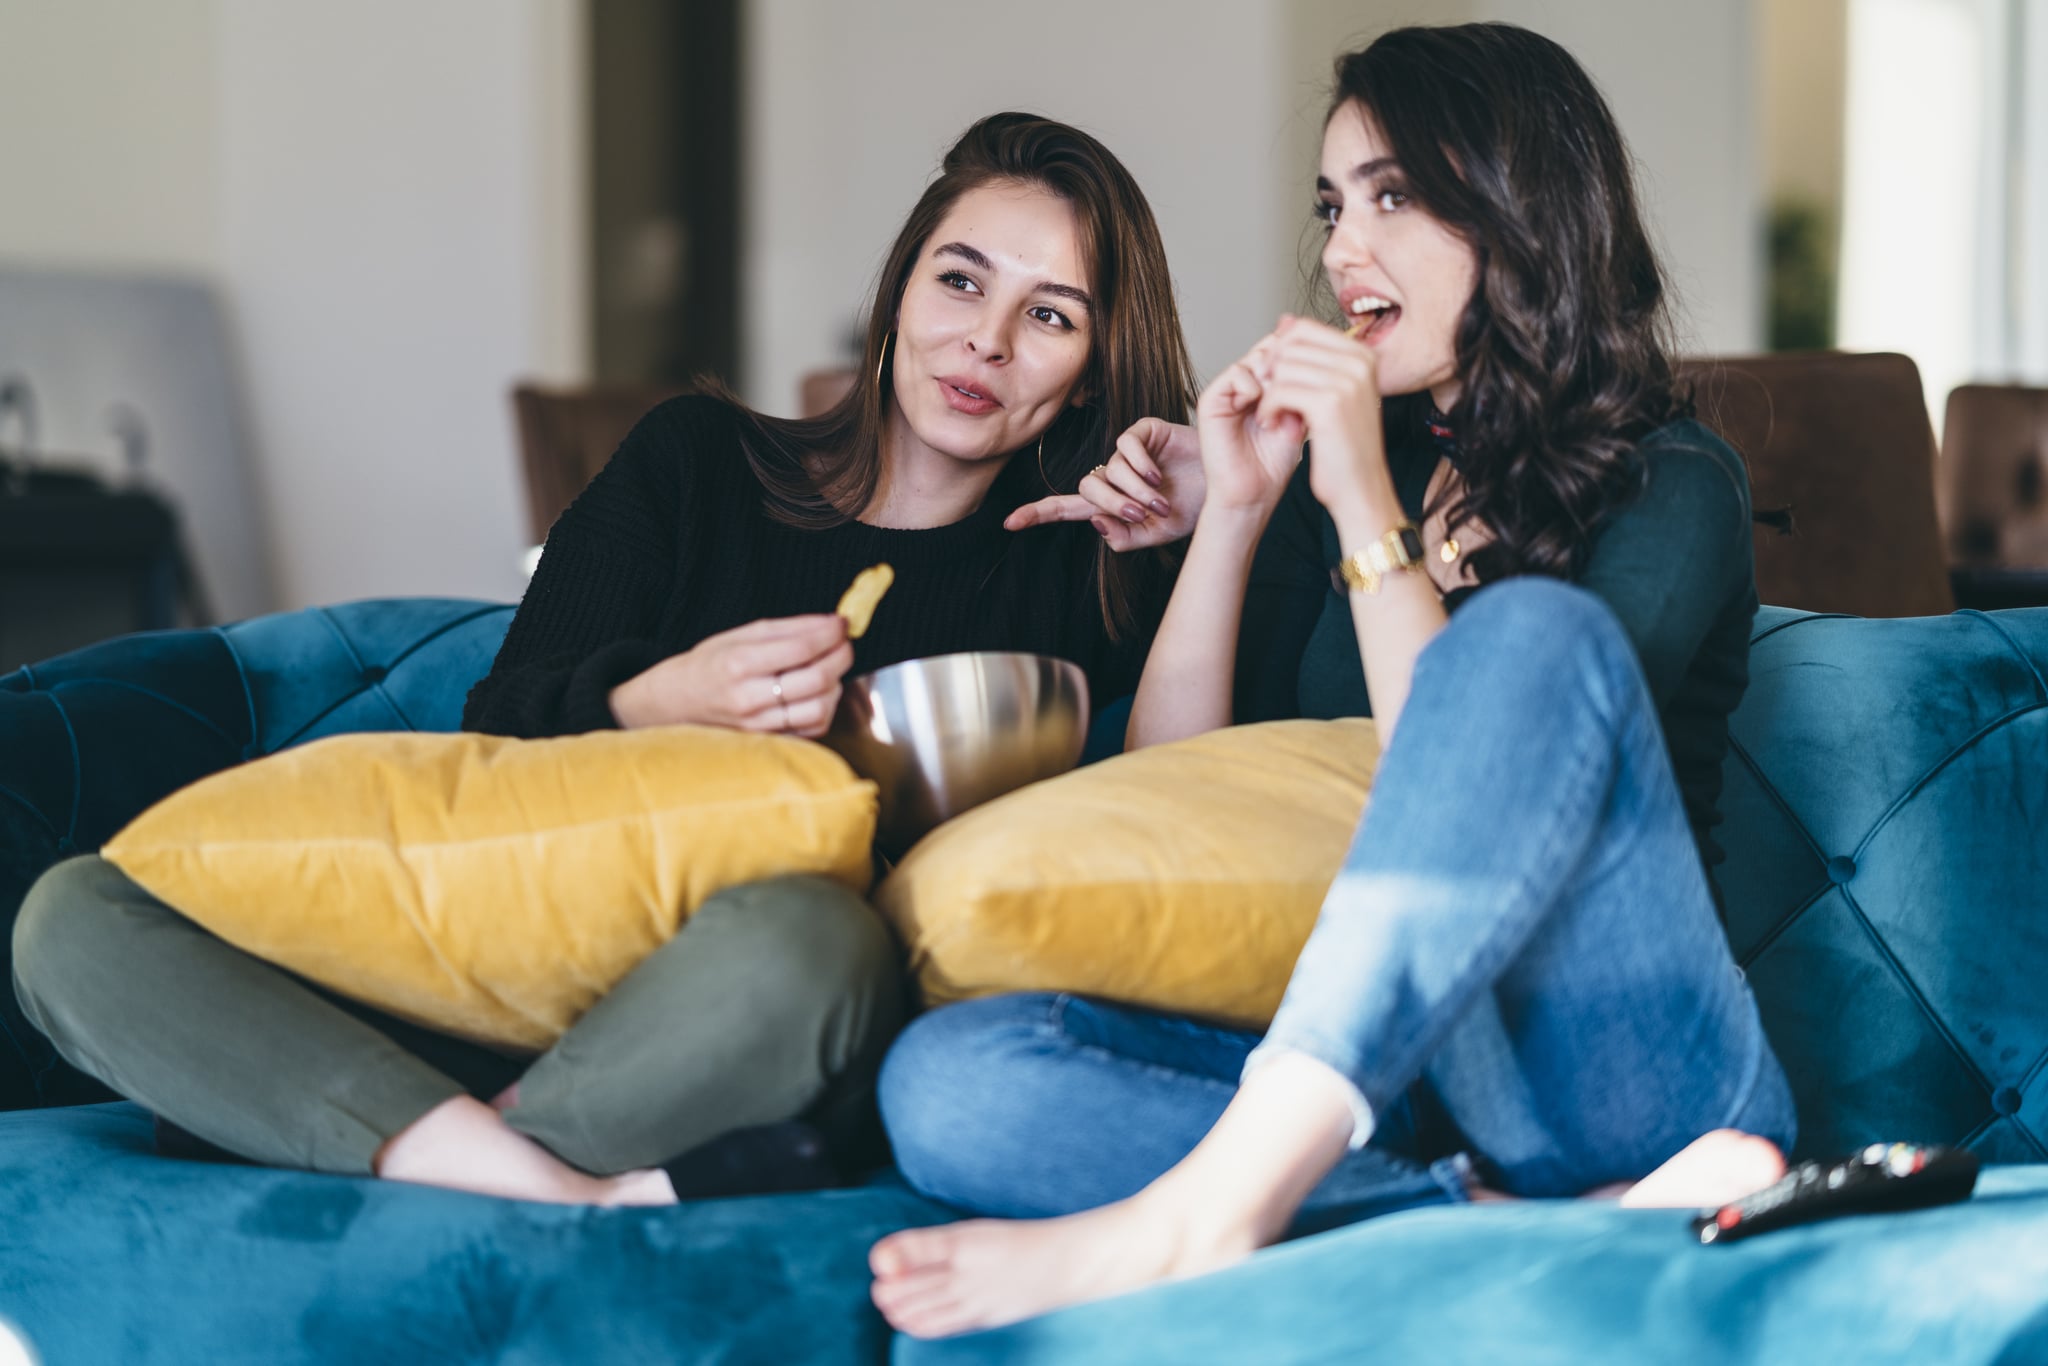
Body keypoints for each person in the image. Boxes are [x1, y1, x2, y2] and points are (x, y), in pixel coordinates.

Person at [11, 112, 1197, 1207]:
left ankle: (389, 1137)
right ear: (898, 288)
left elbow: (1177, 813)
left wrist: (1229, 513)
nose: (983, 340)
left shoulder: (1079, 565)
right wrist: (661, 699)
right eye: (959, 278)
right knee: (73, 917)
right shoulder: (697, 459)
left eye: (1049, 314)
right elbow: (492, 737)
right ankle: (551, 1186)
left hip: (709, 1016)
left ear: (1088, 369)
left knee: (819, 947)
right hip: (481, 957)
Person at [869, 25, 1797, 1337]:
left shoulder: (1675, 480)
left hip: (1623, 1061)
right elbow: (1178, 789)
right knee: (949, 1082)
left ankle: (1220, 1205)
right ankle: (1505, 1219)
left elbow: (1472, 812)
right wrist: (1239, 514)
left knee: (1524, 640)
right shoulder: (1338, 475)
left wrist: (1360, 492)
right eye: (1333, 203)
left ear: (1521, 214)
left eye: (1393, 196)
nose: (1342, 250)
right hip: (1395, 1088)